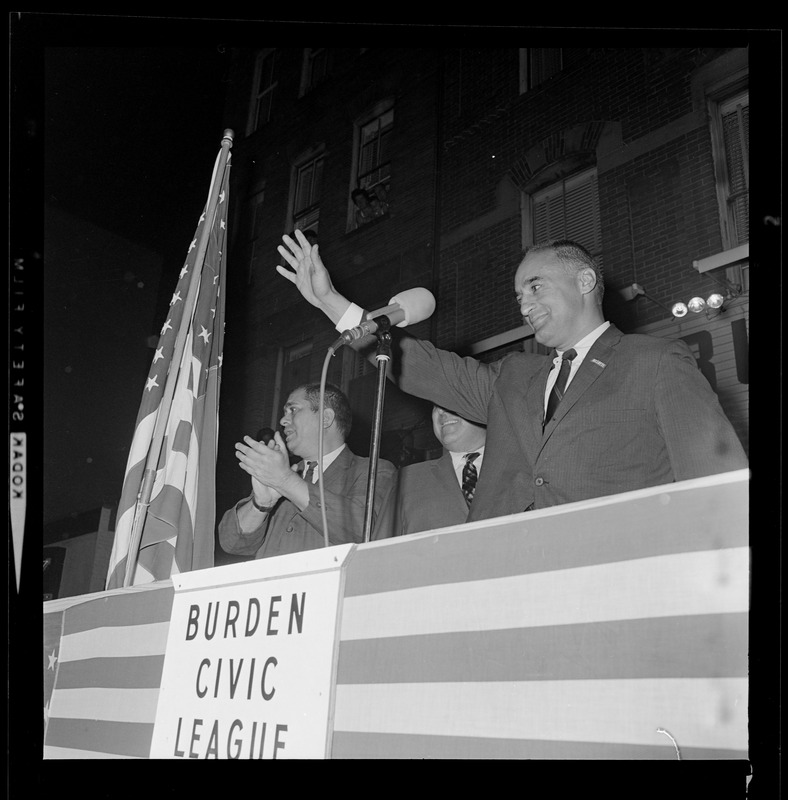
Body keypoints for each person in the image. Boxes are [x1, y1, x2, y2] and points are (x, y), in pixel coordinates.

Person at [275, 232, 749, 521]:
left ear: (584, 282)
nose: (523, 303)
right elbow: (421, 367)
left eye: (535, 286)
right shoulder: (515, 377)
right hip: (505, 576)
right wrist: (330, 301)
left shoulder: (656, 361)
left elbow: (719, 489)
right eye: (518, 294)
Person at [218, 382, 397, 559]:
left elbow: (364, 530)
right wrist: (261, 504)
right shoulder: (282, 473)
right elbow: (232, 543)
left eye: (293, 410)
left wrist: (285, 481)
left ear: (325, 418)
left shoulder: (376, 470)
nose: (283, 420)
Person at [379, 405, 487, 536]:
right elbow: (379, 552)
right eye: (435, 405)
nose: (440, 411)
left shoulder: (516, 467)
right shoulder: (407, 481)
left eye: (450, 400)